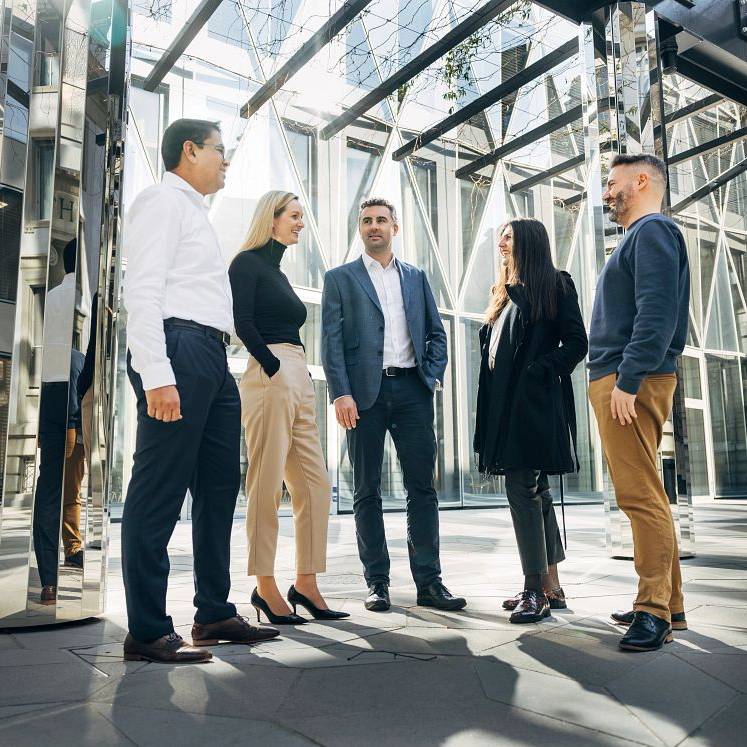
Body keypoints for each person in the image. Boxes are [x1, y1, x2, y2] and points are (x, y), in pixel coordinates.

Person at [121, 118, 279, 663]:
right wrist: (157, 375)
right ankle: (146, 630)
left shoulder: (194, 213)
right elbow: (140, 290)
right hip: (178, 351)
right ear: (189, 151)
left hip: (211, 357)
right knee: (159, 490)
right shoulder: (161, 202)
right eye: (219, 150)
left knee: (218, 491)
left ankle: (213, 612)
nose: (226, 160)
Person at [321, 197, 465, 613]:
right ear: (360, 230)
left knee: (422, 488)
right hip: (363, 398)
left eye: (381, 220)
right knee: (366, 490)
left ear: (395, 228)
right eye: (366, 221)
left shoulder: (417, 277)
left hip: (412, 392)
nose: (373, 227)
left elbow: (437, 334)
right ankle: (377, 583)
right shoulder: (340, 279)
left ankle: (429, 582)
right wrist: (340, 392)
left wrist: (431, 376)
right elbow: (331, 344)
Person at [229, 190, 347, 625]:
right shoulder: (247, 263)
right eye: (295, 216)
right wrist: (272, 363)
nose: (300, 223)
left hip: (296, 373)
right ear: (272, 218)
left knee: (314, 483)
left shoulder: (277, 271)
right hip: (271, 373)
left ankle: (307, 583)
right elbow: (242, 320)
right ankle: (264, 585)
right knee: (266, 481)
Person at [588, 152, 690, 652]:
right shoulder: (642, 237)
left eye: (612, 183)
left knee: (638, 497)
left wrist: (626, 380)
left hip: (630, 382)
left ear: (642, 181)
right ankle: (669, 605)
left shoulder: (652, 231)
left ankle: (652, 611)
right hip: (627, 378)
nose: (606, 193)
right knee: (648, 493)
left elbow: (658, 312)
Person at [474, 218, 587, 624]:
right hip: (504, 410)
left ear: (529, 242)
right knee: (535, 492)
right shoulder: (504, 295)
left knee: (522, 488)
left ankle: (532, 590)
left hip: (534, 406)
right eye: (501, 236)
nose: (501, 242)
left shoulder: (554, 284)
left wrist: (540, 371)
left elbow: (577, 343)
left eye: (508, 236)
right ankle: (550, 585)